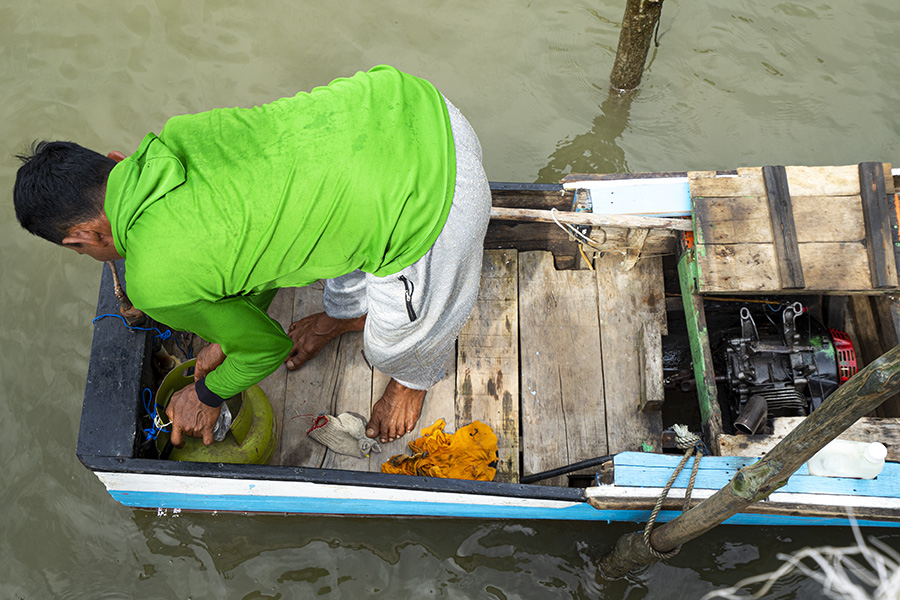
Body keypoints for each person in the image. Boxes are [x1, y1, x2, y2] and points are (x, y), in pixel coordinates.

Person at [13, 65, 490, 449]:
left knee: (391, 346)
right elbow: (255, 248)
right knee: (331, 226)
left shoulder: (151, 281)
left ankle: (411, 380)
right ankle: (344, 315)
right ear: (118, 162)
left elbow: (268, 349)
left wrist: (206, 395)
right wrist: (227, 340)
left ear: (80, 237)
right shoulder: (179, 137)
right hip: (409, 101)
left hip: (440, 198)